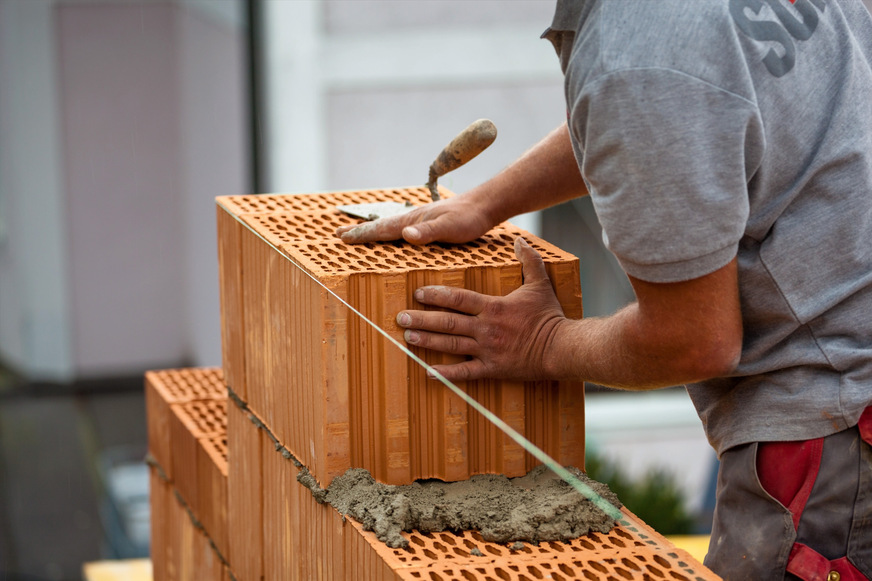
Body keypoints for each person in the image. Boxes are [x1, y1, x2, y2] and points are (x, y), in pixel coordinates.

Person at [336, 1, 872, 579]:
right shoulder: (654, 50)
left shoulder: (635, 50)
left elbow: (696, 341)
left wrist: (542, 344)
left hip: (839, 431)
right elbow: (671, 113)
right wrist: (487, 202)